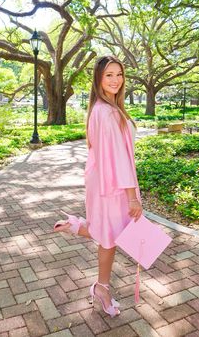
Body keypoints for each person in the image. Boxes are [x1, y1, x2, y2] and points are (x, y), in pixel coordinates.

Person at [54, 56, 143, 317]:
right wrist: (132, 197)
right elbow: (119, 157)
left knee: (111, 233)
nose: (116, 80)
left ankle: (78, 227)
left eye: (119, 74)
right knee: (111, 236)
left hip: (106, 181)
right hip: (112, 185)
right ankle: (102, 287)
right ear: (98, 79)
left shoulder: (105, 108)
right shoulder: (106, 112)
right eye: (109, 75)